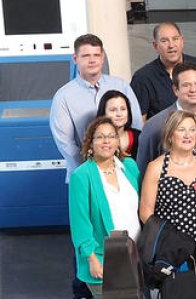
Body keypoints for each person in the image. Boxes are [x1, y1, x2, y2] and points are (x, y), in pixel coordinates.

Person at [138, 110, 196, 292]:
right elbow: (145, 212)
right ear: (170, 135)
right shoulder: (156, 167)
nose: (188, 135)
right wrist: (171, 240)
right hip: (173, 251)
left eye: (192, 130)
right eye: (181, 130)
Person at [52, 34, 144, 179]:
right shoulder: (63, 96)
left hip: (126, 173)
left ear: (102, 57)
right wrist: (90, 172)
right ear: (75, 59)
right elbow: (65, 143)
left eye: (96, 55)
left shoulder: (121, 86)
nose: (92, 60)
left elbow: (136, 125)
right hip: (84, 172)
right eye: (86, 55)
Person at [69, 116, 142, 297]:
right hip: (102, 260)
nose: (106, 141)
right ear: (90, 143)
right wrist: (92, 258)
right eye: (100, 137)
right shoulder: (81, 176)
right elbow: (80, 224)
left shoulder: (130, 167)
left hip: (134, 256)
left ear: (118, 142)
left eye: (111, 136)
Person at [136, 62, 196, 173]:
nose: (193, 89)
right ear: (175, 90)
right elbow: (143, 169)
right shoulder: (155, 124)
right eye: (186, 85)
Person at [131, 22, 196, 119]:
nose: (171, 45)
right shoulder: (143, 77)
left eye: (175, 39)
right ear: (155, 46)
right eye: (164, 41)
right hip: (162, 133)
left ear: (182, 41)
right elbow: (140, 123)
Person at [97, 90, 141, 164]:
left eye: (123, 109)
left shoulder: (140, 137)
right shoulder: (95, 140)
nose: (119, 114)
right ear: (103, 114)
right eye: (113, 110)